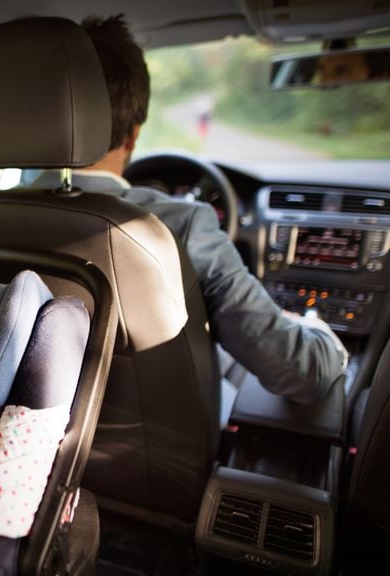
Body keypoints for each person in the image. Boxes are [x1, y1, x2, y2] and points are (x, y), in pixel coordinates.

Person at [30, 15, 347, 413]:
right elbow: (299, 372)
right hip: (159, 469)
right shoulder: (180, 226)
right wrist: (319, 333)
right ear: (133, 134)